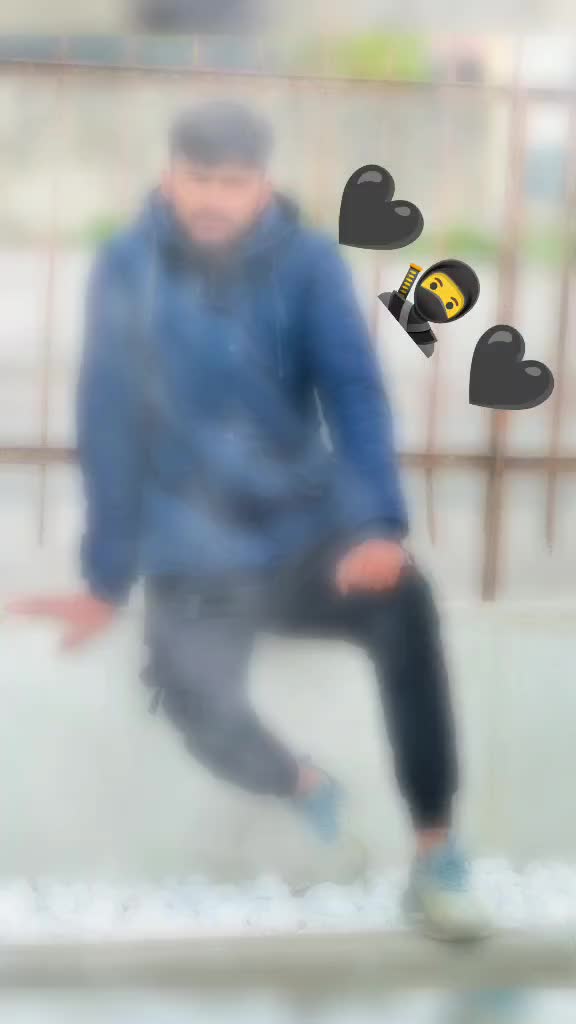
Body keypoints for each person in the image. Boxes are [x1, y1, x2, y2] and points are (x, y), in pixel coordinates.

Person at [9, 100, 490, 941]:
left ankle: (437, 855)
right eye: (199, 179)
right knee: (181, 685)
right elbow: (108, 420)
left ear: (262, 186)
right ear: (171, 177)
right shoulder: (127, 266)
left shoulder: (308, 264)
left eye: (232, 182)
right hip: (193, 554)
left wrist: (377, 526)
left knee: (407, 607)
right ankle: (303, 784)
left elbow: (353, 393)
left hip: (304, 536)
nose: (213, 199)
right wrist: (105, 579)